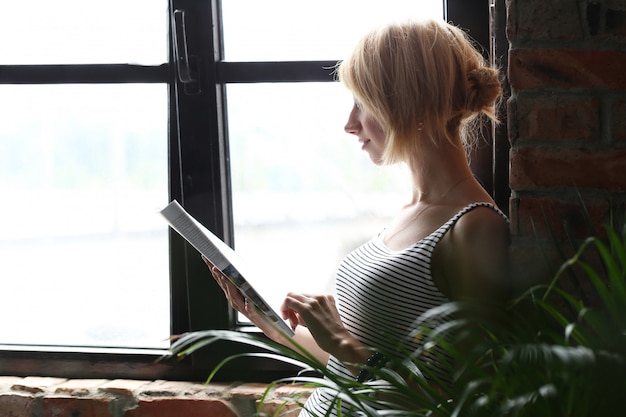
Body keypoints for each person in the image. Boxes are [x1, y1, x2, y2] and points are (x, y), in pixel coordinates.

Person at [207, 18, 509, 416]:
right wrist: (270, 324)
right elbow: (348, 366)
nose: (349, 124)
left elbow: (468, 398)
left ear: (408, 102)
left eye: (362, 103)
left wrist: (343, 343)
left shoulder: (475, 227)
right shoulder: (407, 214)